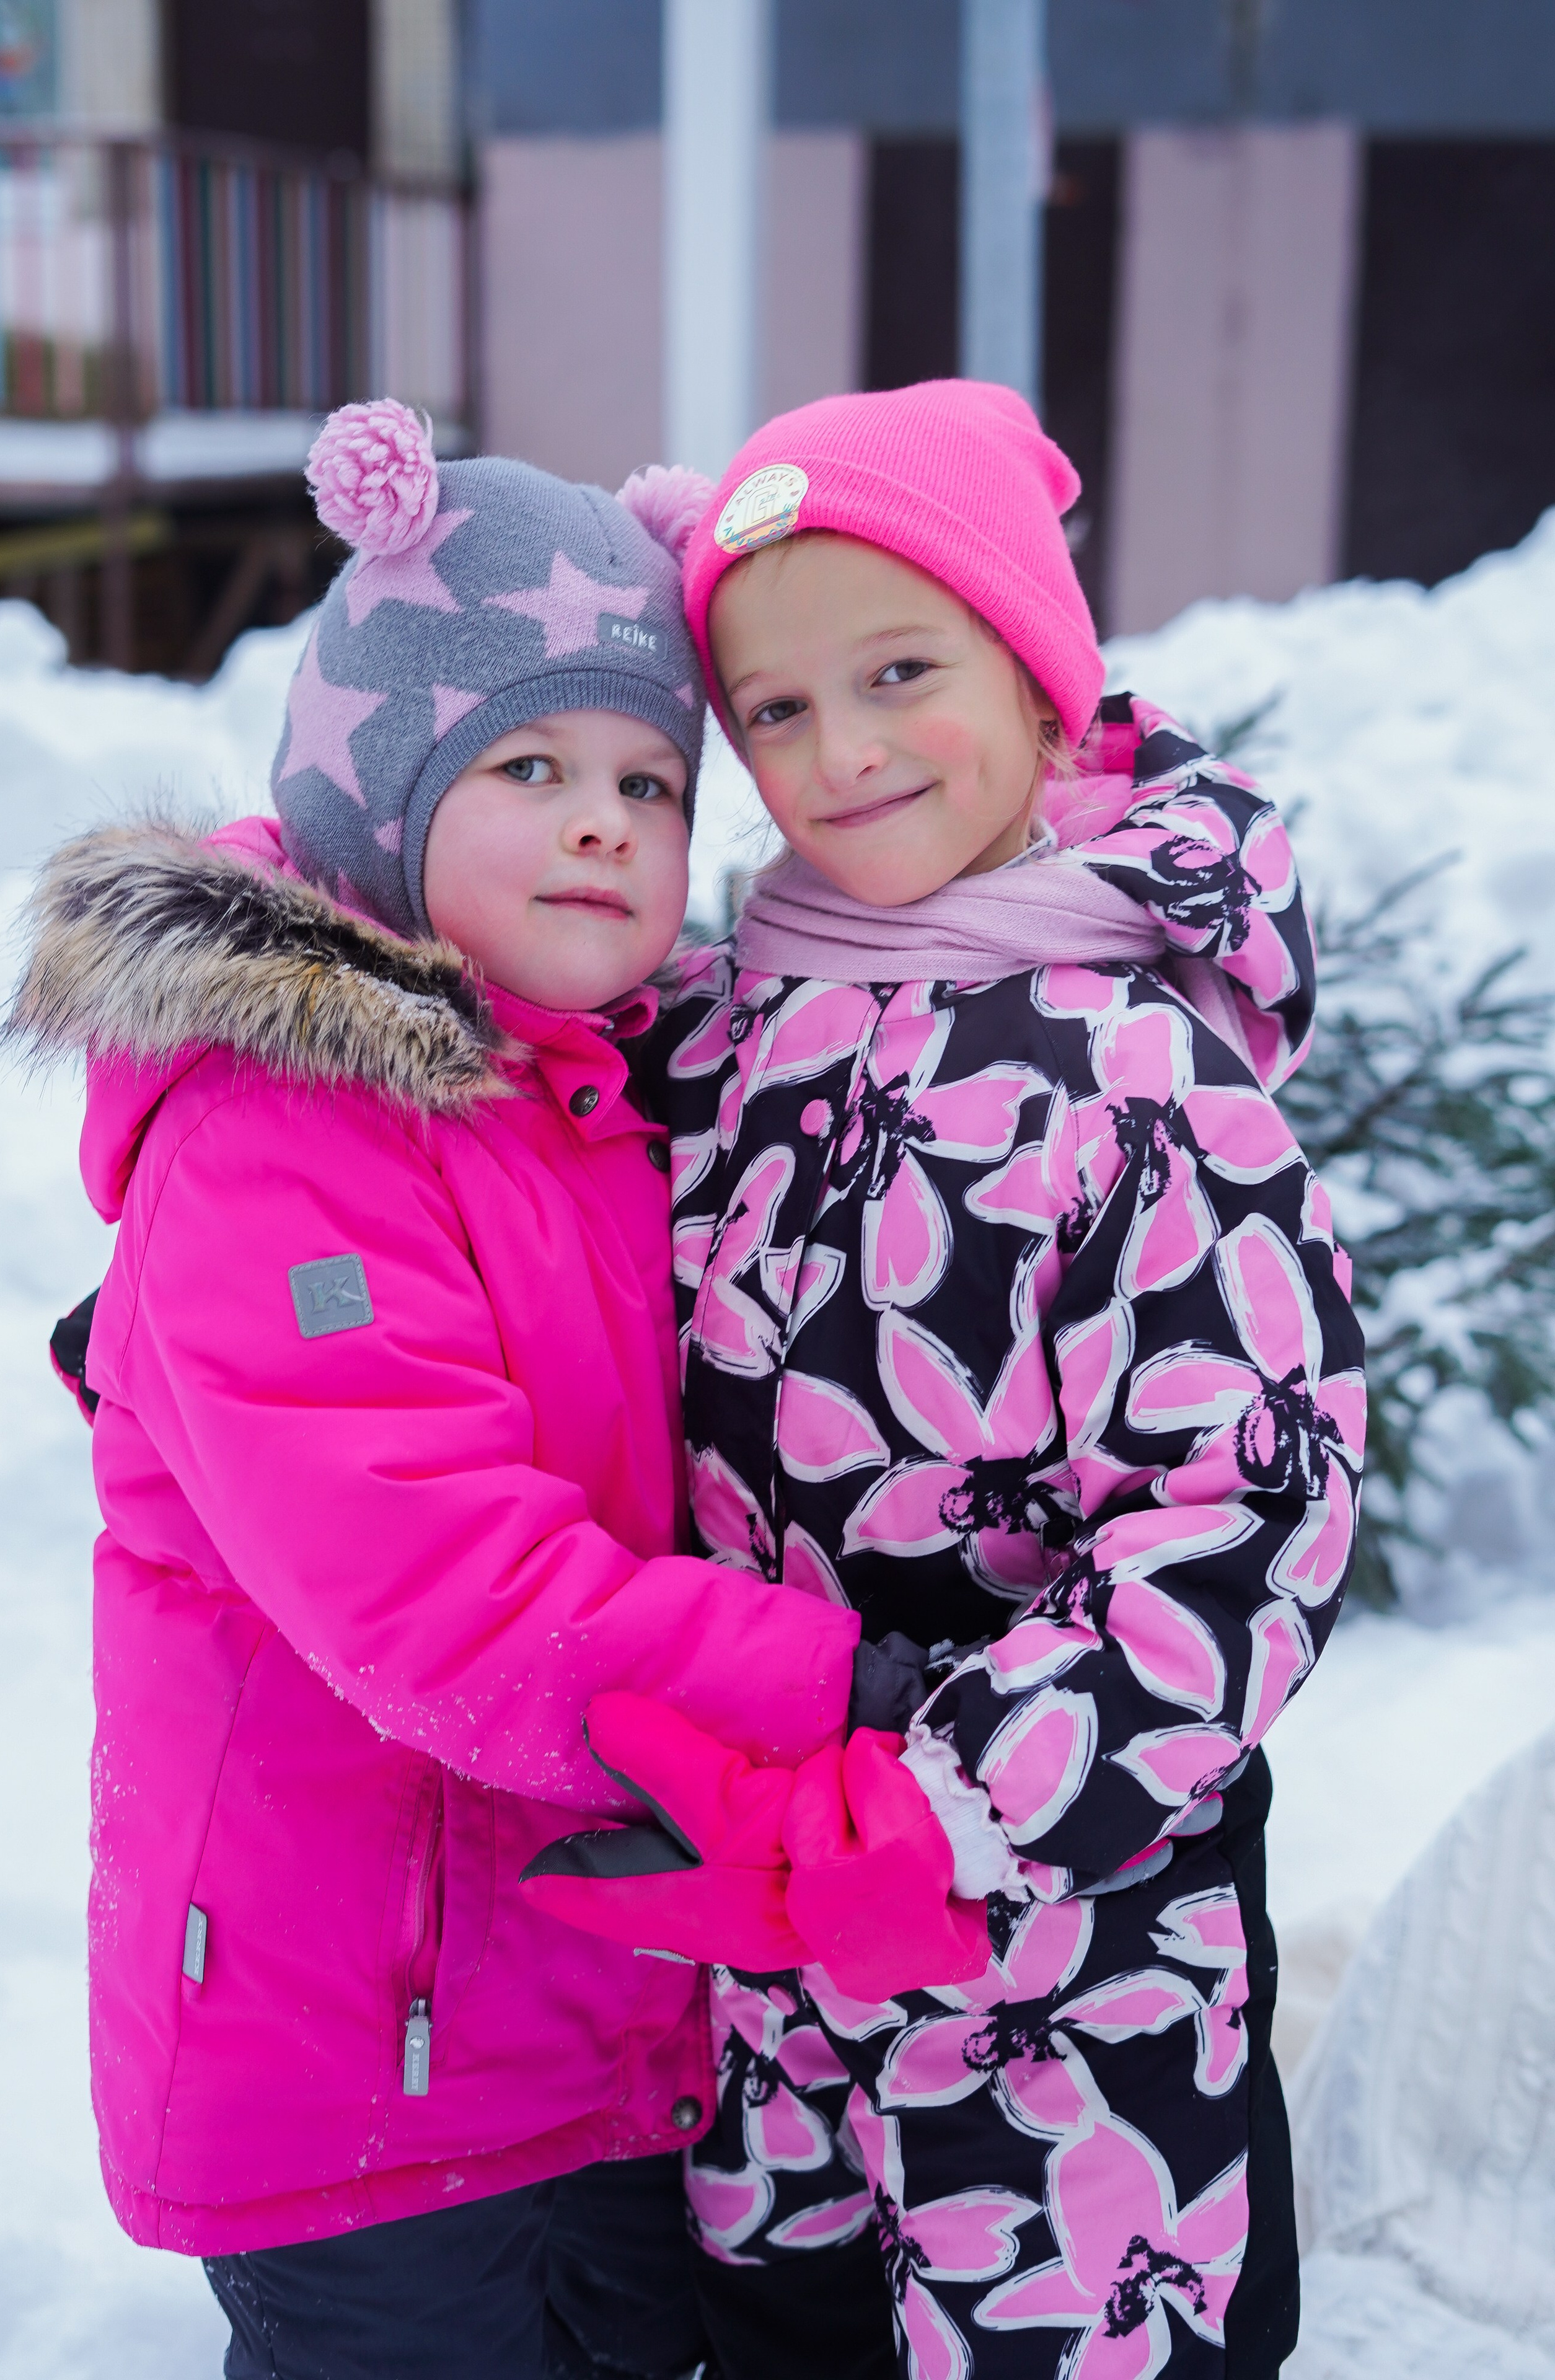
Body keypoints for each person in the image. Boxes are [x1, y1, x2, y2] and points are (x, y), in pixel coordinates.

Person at [521, 381, 1367, 2380]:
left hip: (1078, 1959)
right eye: (779, 711)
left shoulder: (1145, 1074)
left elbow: (1240, 1519)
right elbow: (520, 1219)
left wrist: (943, 1818)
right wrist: (264, 1282)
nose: (847, 750)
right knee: (797, 2334)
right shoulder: (729, 1023)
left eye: (901, 671)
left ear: (1040, 669)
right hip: (765, 1953)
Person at [9, 400, 861, 2380]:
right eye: (533, 764)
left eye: (653, 784)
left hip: (587, 2026)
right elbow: (447, 1602)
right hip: (363, 2081)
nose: (606, 823)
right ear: (370, 806)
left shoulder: (601, 1107)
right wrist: (837, 1691)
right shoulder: (284, 1139)